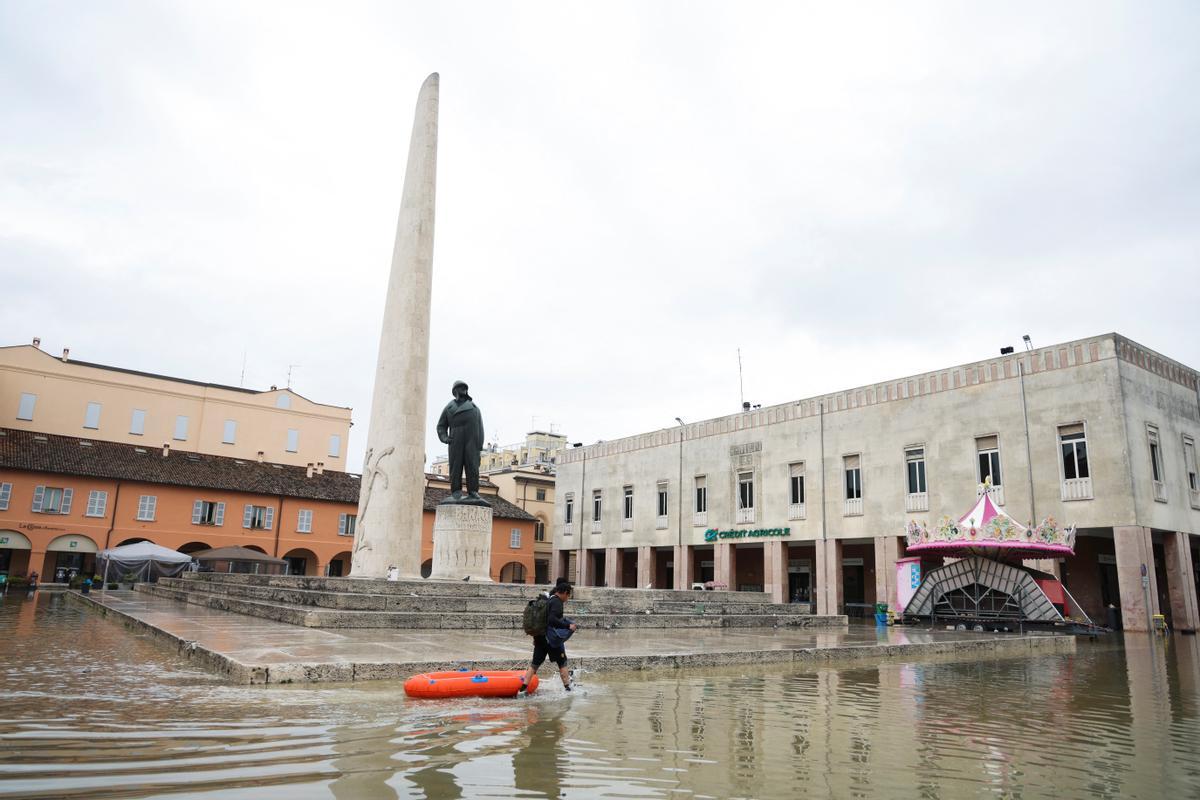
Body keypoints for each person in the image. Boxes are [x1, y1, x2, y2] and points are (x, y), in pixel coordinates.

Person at [521, 579, 577, 693]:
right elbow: (552, 620)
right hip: (551, 639)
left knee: (535, 664)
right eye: (568, 595)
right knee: (562, 662)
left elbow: (541, 621)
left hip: (540, 637)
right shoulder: (557, 602)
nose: (568, 598)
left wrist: (535, 637)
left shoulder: (548, 599)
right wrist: (568, 626)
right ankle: (568, 689)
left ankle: (522, 689)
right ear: (565, 592)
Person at [435, 380, 485, 503]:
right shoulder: (449, 407)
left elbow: (481, 428)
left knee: (472, 467)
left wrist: (479, 446)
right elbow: (441, 426)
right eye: (460, 388)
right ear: (455, 391)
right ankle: (456, 491)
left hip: (471, 442)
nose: (463, 390)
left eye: (464, 388)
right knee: (455, 467)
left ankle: (473, 491)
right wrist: (445, 438)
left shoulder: (474, 409)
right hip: (455, 441)